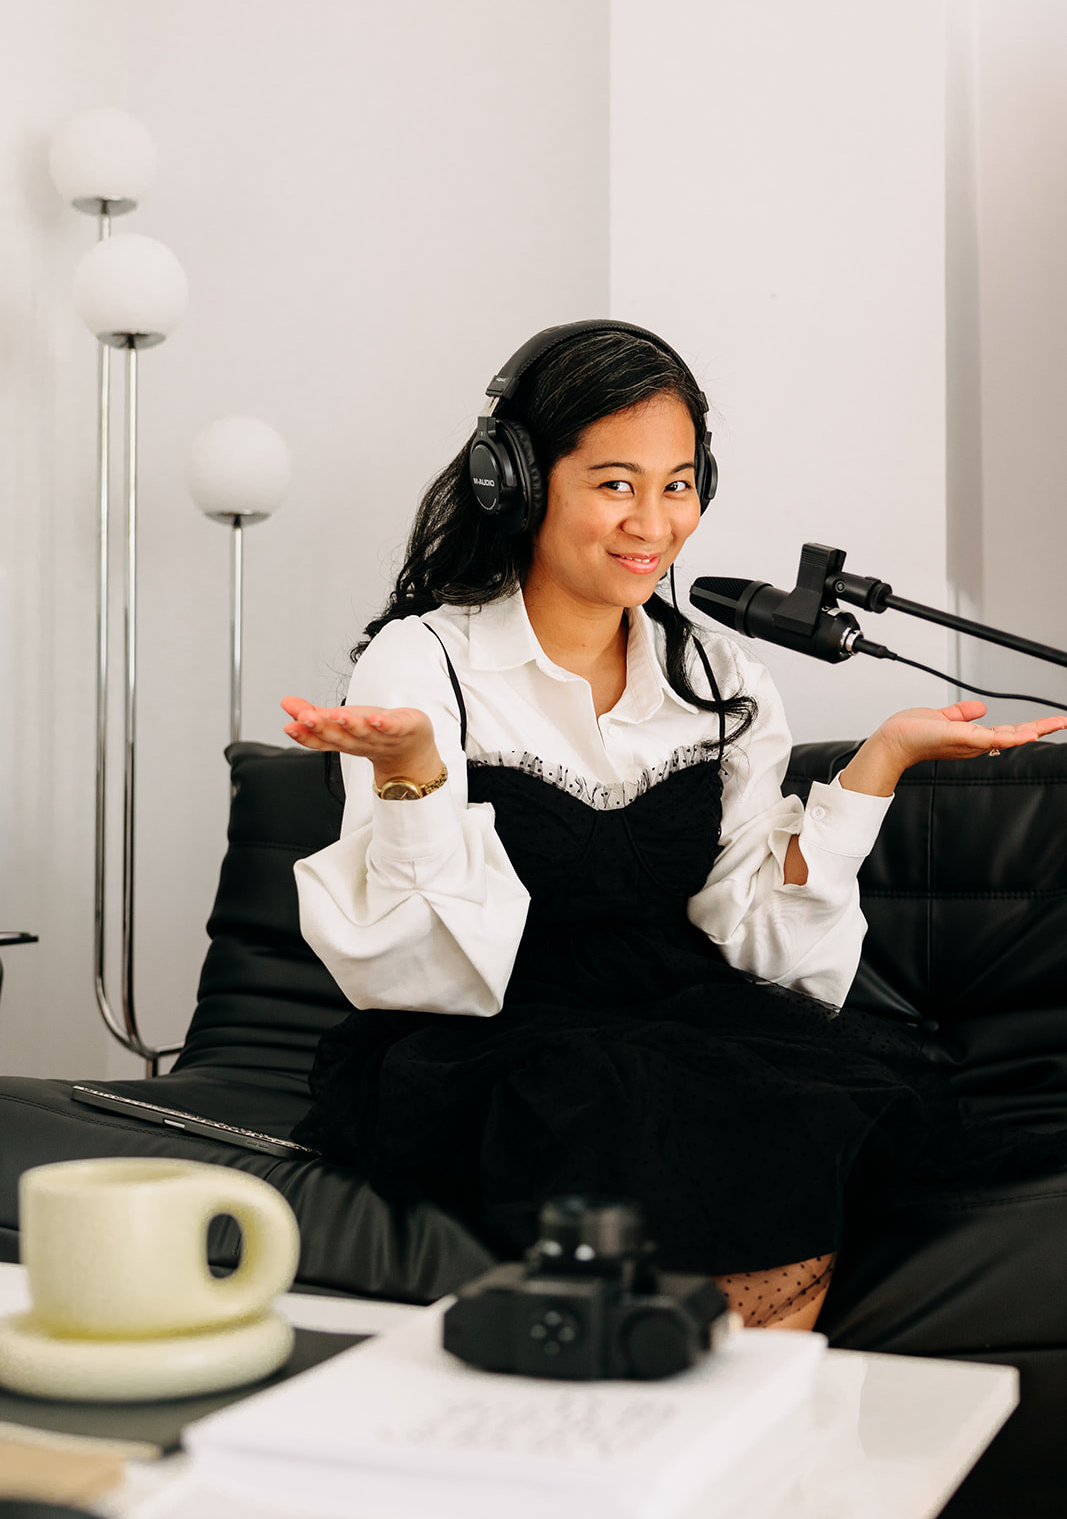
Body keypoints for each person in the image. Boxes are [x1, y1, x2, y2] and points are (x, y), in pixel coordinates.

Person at [280, 321, 1067, 1331]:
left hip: (675, 1010)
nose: (651, 522)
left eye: (676, 483)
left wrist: (879, 767)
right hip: (482, 1037)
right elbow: (414, 972)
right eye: (614, 483)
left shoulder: (720, 680)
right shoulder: (421, 663)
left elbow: (757, 940)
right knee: (628, 1108)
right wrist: (412, 774)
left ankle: (730, 1419)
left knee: (808, 1104)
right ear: (512, 482)